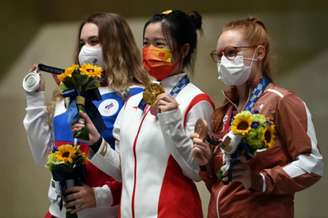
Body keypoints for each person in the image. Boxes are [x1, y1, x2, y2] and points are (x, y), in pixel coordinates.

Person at [75, 10, 214, 217]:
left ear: (184, 50)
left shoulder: (195, 101)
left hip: (172, 212)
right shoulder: (135, 99)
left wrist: (171, 120)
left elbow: (196, 171)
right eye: (146, 43)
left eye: (159, 44)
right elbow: (124, 169)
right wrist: (96, 141)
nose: (150, 50)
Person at [191, 17, 324, 218]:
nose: (224, 61)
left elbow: (312, 164)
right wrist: (205, 162)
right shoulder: (227, 111)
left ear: (259, 53)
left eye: (232, 52)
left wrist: (261, 180)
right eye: (219, 55)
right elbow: (222, 185)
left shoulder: (282, 101)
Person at [23, 12, 150, 218]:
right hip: (58, 213)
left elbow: (141, 170)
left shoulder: (135, 96)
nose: (85, 50)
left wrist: (100, 196)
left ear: (116, 46)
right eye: (82, 43)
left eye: (94, 41)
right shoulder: (68, 94)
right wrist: (35, 99)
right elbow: (42, 155)